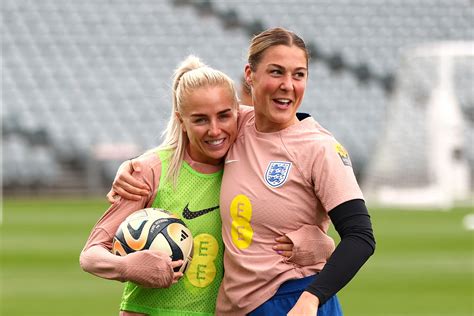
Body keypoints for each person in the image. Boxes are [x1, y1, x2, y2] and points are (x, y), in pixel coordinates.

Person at [109, 27, 376, 316]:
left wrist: (311, 299)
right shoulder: (235, 124)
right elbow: (192, 122)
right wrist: (135, 166)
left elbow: (360, 237)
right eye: (276, 72)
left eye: (298, 74)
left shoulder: (319, 148)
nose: (288, 84)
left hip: (293, 300)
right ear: (250, 75)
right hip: (236, 307)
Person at [80, 55, 302, 316]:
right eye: (200, 120)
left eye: (223, 116)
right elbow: (91, 254)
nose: (215, 130)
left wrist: (319, 243)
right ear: (181, 120)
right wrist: (128, 267)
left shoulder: (250, 171)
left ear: (238, 113)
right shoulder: (150, 170)